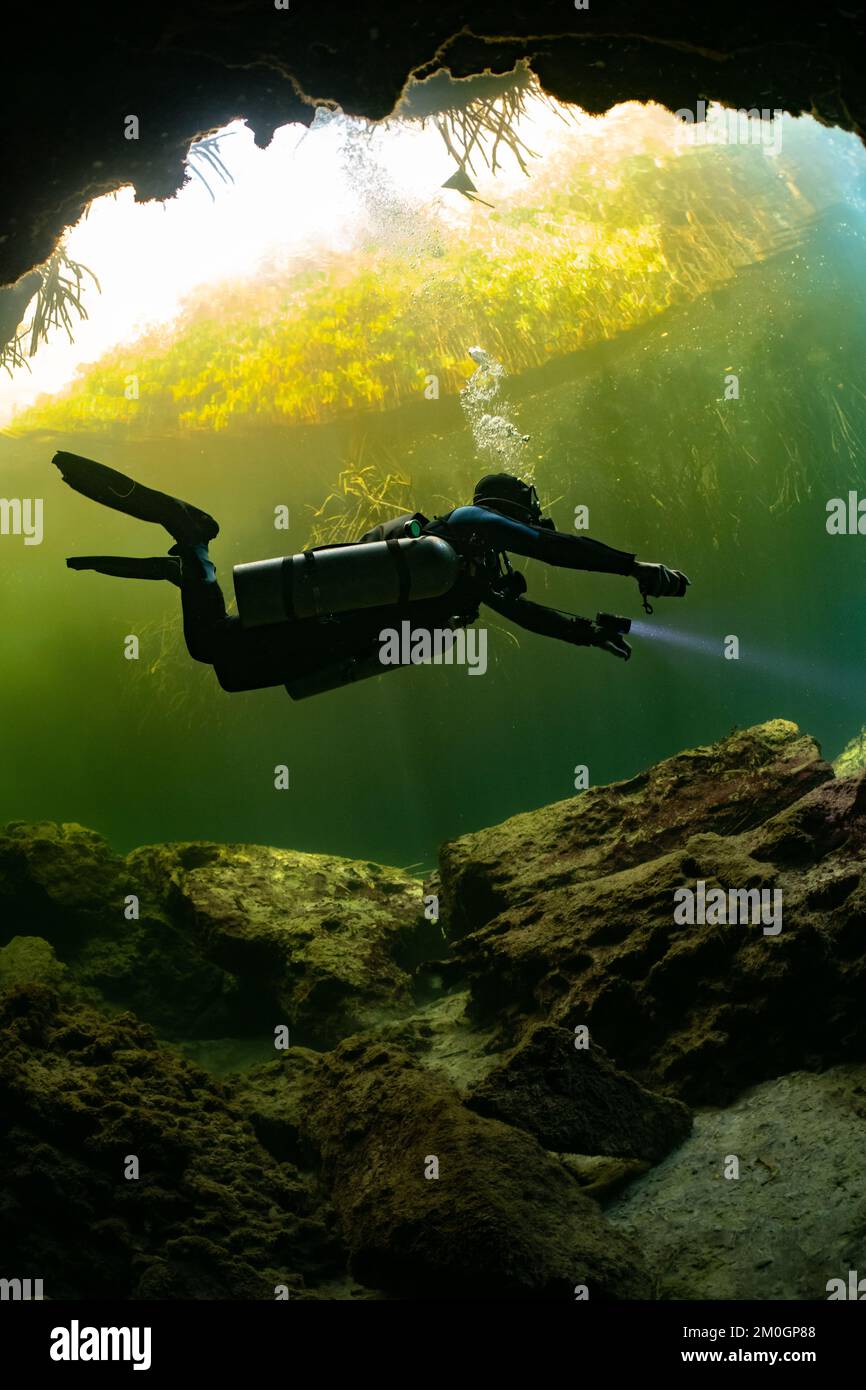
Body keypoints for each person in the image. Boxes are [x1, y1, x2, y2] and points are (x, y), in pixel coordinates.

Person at [52, 454, 689, 699]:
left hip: (343, 637)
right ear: (511, 507)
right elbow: (556, 549)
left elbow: (525, 614)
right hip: (333, 620)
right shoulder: (469, 525)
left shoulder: (478, 567)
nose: (537, 520)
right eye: (531, 509)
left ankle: (191, 568)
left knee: (221, 663)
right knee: (215, 649)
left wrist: (585, 632)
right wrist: (634, 567)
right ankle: (191, 535)